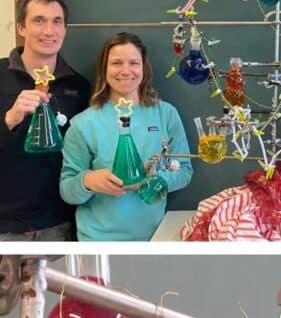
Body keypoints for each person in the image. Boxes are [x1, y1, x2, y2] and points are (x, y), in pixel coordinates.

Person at [60, 32, 193, 241]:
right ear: (104, 69)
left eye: (134, 63)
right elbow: (67, 190)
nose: (125, 71)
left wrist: (152, 182)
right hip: (99, 241)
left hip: (156, 237)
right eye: (116, 63)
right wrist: (88, 181)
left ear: (144, 68)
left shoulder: (166, 114)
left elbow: (184, 171)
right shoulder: (83, 124)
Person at [0, 0, 91, 240]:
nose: (49, 31)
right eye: (39, 20)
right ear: (21, 27)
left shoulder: (79, 87)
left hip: (58, 225)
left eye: (57, 21)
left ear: (65, 29)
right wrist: (10, 119)